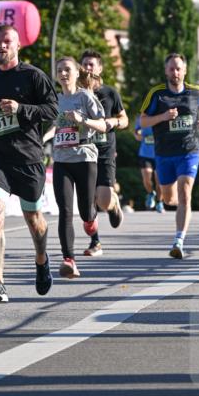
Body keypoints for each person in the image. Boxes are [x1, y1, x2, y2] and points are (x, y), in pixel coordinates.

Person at [0, 24, 58, 303]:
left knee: (33, 219)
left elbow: (53, 110)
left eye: (7, 41)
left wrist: (22, 109)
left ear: (18, 45)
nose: (2, 46)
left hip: (29, 158)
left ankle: (41, 259)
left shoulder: (34, 76)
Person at [140, 52, 199, 259]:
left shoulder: (195, 92)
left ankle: (178, 240)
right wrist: (163, 116)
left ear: (185, 70)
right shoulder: (157, 94)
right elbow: (143, 121)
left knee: (185, 192)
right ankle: (166, 203)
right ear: (166, 71)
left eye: (179, 68)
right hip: (164, 153)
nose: (175, 72)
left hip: (189, 151)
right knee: (171, 198)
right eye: (171, 68)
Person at [46, 56, 106, 278]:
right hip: (62, 159)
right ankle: (69, 260)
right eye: (59, 70)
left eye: (67, 69)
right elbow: (55, 127)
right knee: (65, 211)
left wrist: (82, 120)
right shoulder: (55, 100)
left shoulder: (86, 97)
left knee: (84, 211)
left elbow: (103, 125)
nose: (63, 74)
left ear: (77, 72)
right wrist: (43, 138)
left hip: (85, 157)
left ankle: (91, 219)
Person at [79, 50, 128, 256]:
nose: (88, 68)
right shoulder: (76, 94)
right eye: (85, 65)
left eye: (92, 64)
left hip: (105, 151)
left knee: (104, 200)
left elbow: (124, 119)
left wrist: (115, 121)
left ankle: (114, 204)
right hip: (82, 152)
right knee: (88, 200)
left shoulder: (110, 93)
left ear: (100, 68)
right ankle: (95, 242)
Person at [134, 114, 164, 212]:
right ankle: (151, 193)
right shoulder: (140, 118)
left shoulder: (161, 115)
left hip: (160, 153)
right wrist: (138, 135)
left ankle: (159, 202)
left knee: (159, 181)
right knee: (146, 177)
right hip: (145, 154)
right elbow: (136, 132)